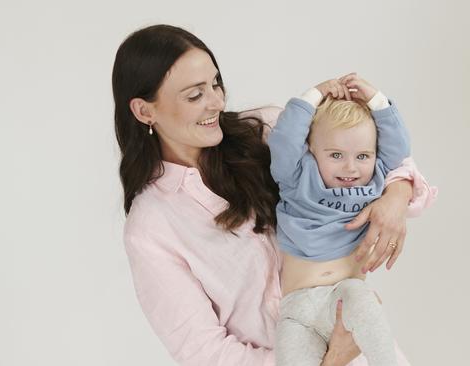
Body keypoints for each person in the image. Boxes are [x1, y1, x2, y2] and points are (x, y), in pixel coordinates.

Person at [112, 24, 437, 366]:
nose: (217, 102)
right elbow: (203, 352)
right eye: (195, 95)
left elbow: (377, 155)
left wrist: (396, 196)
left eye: (216, 84)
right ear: (144, 111)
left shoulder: (267, 131)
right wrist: (330, 359)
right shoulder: (150, 227)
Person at [270, 75, 416, 366]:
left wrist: (376, 100)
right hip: (296, 311)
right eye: (336, 155)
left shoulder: (376, 178)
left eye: (362, 155)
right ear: (311, 150)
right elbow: (284, 139)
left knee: (362, 298)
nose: (350, 168)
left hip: (344, 297)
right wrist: (315, 94)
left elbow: (400, 148)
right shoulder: (297, 178)